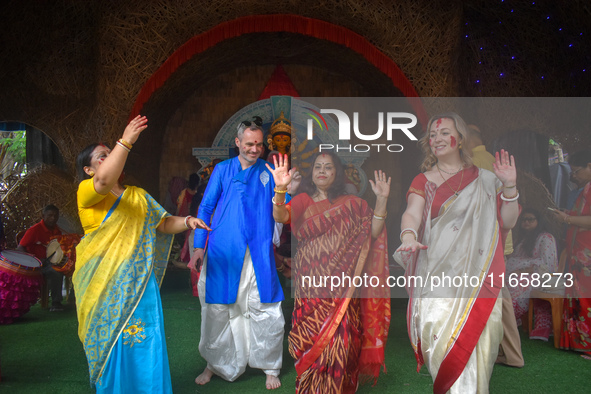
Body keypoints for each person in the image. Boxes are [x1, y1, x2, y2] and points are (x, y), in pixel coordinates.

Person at [73, 115, 211, 393]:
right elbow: (103, 181)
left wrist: (187, 221)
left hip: (138, 283)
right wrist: (124, 141)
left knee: (145, 338)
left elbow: (162, 222)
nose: (111, 157)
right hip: (103, 286)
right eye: (103, 156)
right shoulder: (88, 191)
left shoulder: (137, 195)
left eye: (111, 154)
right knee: (112, 342)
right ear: (88, 170)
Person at [395, 113, 520, 393]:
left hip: (477, 280)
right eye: (433, 134)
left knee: (477, 349)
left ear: (460, 139)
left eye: (444, 133)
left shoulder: (486, 180)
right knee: (438, 344)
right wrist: (408, 236)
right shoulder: (423, 180)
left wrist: (509, 186)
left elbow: (508, 221)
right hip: (436, 278)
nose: (437, 138)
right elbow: (412, 213)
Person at [267, 151, 391, 393]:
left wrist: (382, 200)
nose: (322, 171)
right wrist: (280, 191)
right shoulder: (303, 200)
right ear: (312, 175)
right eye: (317, 167)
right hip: (311, 286)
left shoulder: (354, 204)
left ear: (337, 174)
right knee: (313, 341)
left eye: (328, 167)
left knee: (343, 342)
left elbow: (373, 233)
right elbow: (281, 215)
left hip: (343, 287)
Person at [189, 117, 285, 390]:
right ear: (237, 143)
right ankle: (214, 363)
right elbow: (205, 209)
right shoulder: (222, 170)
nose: (254, 149)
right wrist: (198, 247)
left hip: (258, 251)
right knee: (217, 309)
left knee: (265, 308)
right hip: (223, 251)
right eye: (249, 144)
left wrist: (282, 187)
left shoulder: (270, 171)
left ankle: (269, 366)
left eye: (259, 144)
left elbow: (283, 213)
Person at [466, 124, 524, 367]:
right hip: (499, 238)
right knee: (500, 296)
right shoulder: (490, 159)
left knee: (496, 297)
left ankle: (509, 354)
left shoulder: (474, 163)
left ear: (465, 140)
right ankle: (510, 354)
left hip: (484, 241)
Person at [550, 150, 591, 357]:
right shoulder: (585, 188)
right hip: (579, 251)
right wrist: (568, 215)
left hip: (587, 253)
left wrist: (567, 220)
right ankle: (579, 342)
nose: (573, 176)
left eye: (576, 171)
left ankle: (588, 345)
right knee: (578, 295)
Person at [507, 208, 558, 340]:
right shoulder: (522, 240)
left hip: (542, 277)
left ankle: (509, 319)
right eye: (524, 220)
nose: (527, 222)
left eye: (531, 219)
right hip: (521, 275)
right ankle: (506, 319)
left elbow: (545, 264)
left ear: (538, 221)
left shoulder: (546, 238)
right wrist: (520, 269)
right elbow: (513, 261)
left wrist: (522, 270)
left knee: (518, 283)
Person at [17, 204, 64, 311]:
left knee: (68, 268)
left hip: (51, 261)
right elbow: (20, 247)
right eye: (50, 215)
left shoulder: (58, 231)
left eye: (55, 216)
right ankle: (56, 303)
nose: (53, 218)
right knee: (56, 271)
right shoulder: (34, 230)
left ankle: (72, 299)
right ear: (43, 215)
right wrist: (31, 260)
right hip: (37, 263)